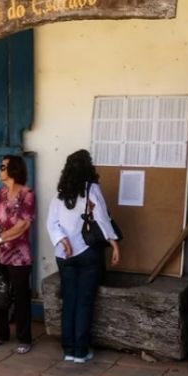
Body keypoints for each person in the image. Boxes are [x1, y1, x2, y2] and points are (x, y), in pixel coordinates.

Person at [46, 149, 120, 363]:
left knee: (69, 300)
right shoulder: (91, 190)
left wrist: (63, 241)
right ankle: (81, 351)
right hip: (88, 253)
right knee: (84, 302)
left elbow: (51, 223)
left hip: (64, 255)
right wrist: (114, 244)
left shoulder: (59, 194)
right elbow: (102, 219)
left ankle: (68, 350)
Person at [0, 155, 35, 355]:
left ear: (13, 170)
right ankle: (0, 334)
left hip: (19, 255)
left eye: (2, 166)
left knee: (21, 298)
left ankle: (24, 338)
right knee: (0, 295)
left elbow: (23, 225)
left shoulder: (27, 194)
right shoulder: (1, 192)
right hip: (1, 253)